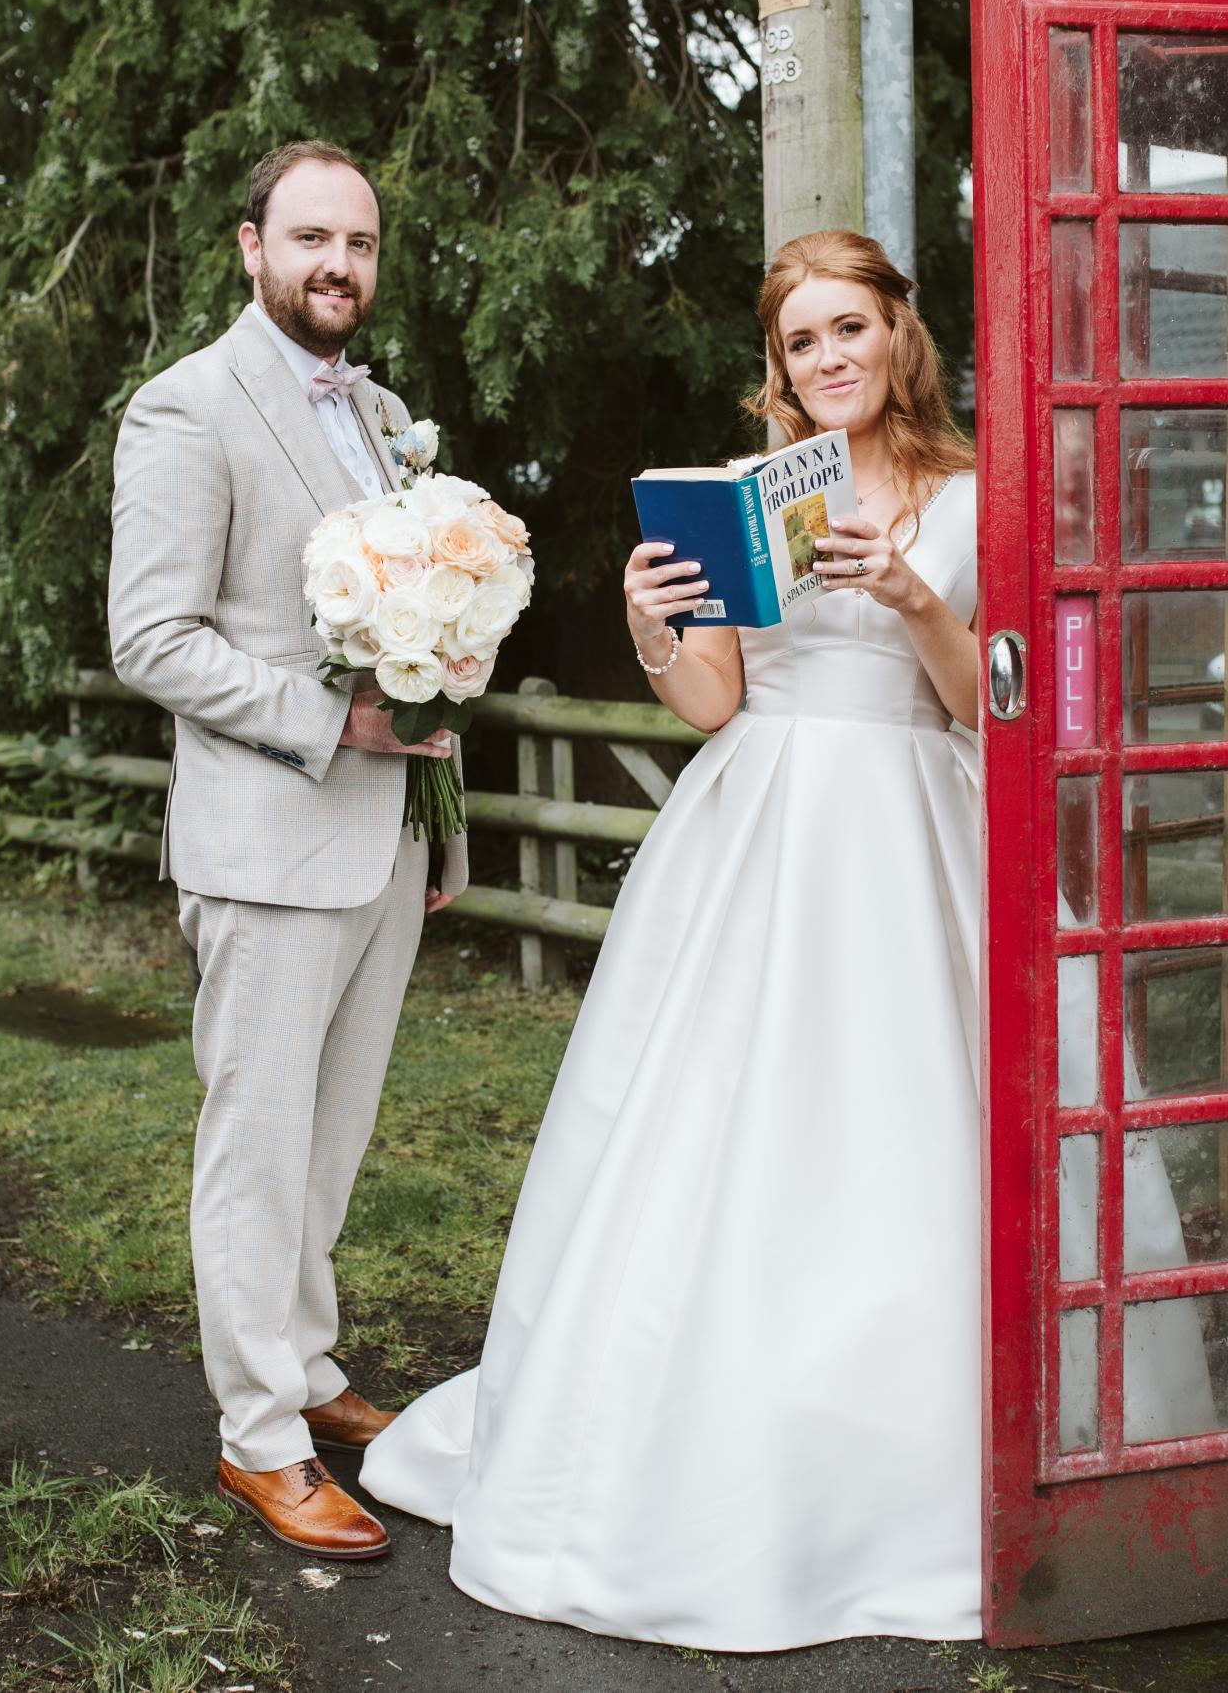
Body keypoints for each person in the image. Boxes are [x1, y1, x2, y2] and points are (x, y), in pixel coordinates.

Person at [361, 229, 989, 1647]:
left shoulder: (967, 491)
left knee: (908, 1123)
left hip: (907, 826)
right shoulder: (754, 495)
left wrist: (903, 590)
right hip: (756, 826)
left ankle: (905, 1461)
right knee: (725, 1125)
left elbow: (975, 701)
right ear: (781, 370)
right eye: (800, 345)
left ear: (899, 333)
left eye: (849, 329)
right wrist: (654, 625)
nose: (828, 361)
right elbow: (714, 701)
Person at [107, 139, 467, 1562]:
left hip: (383, 838)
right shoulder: (188, 408)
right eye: (311, 238)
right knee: (256, 1147)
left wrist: (431, 773)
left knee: (332, 1139)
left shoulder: (377, 414)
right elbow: (154, 638)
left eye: (360, 244)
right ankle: (257, 1439)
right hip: (270, 836)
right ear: (250, 245)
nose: (339, 266)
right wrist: (340, 729)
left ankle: (306, 1372)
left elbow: (414, 619)